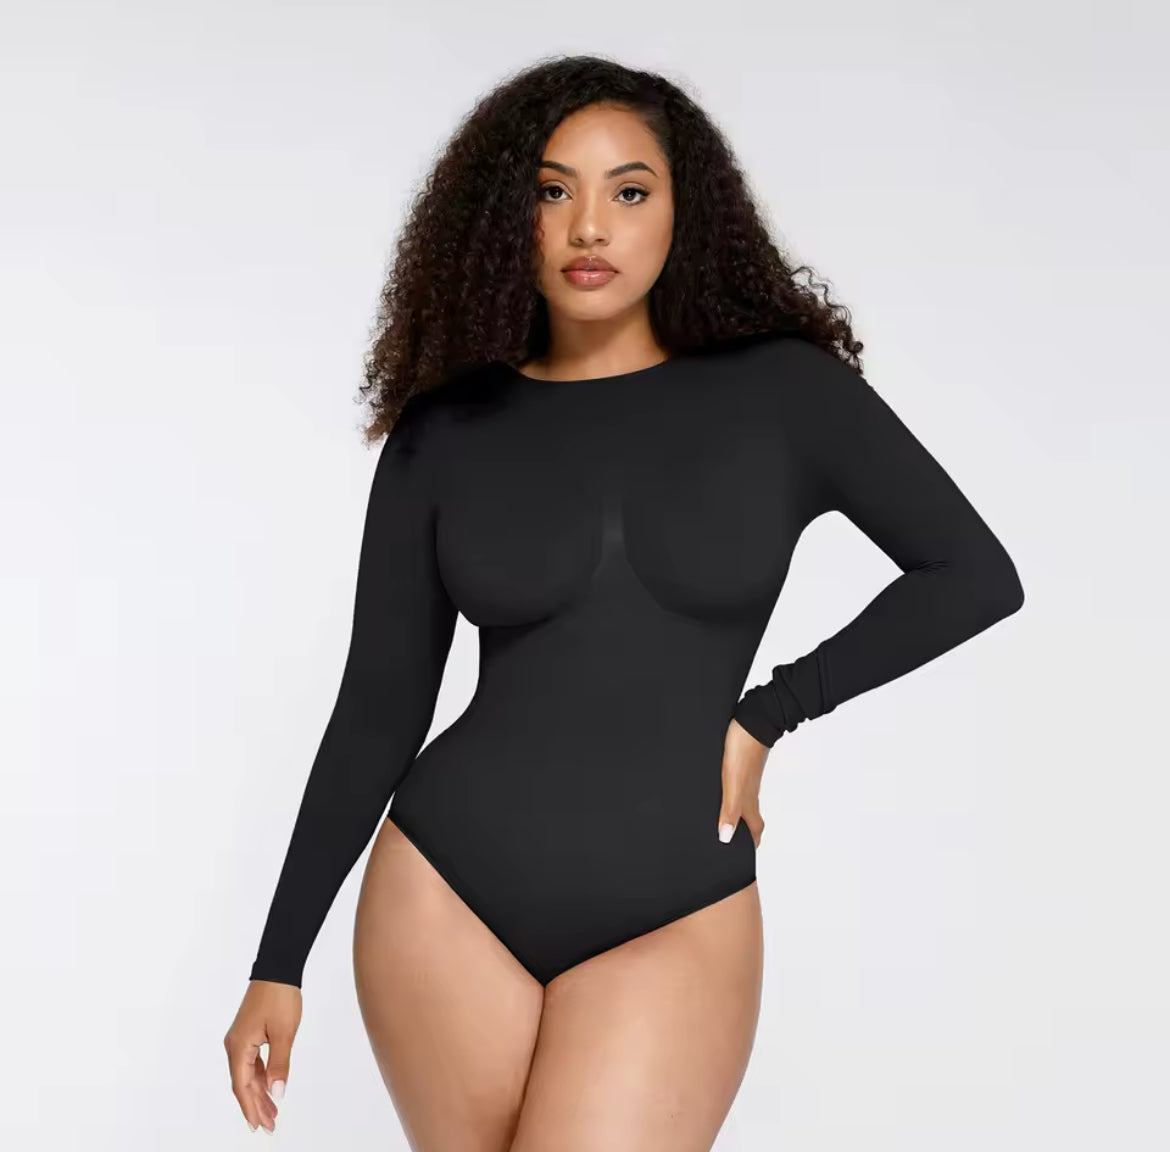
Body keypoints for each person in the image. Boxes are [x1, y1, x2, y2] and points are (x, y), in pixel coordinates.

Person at [223, 54, 1024, 1149]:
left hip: (676, 903)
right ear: (503, 219)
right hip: (444, 892)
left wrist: (771, 712)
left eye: (629, 191)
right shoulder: (445, 431)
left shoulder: (786, 394)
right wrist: (278, 962)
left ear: (685, 211)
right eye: (552, 192)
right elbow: (378, 707)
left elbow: (971, 574)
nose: (589, 226)